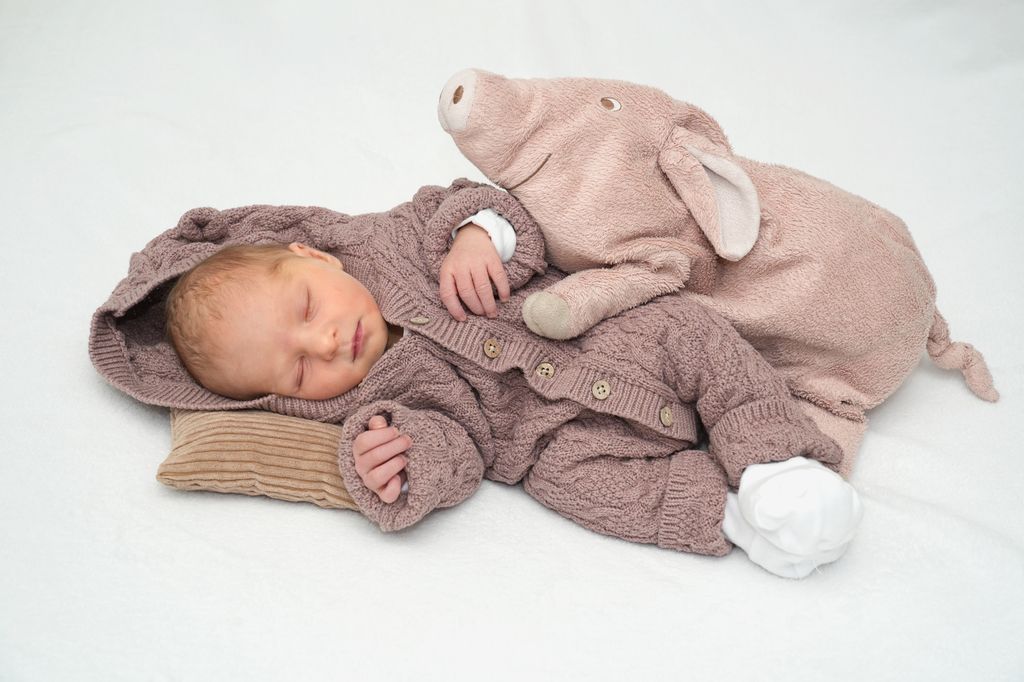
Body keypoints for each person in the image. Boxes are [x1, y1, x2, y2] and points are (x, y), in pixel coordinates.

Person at [93, 179, 862, 578]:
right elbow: (457, 451)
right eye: (298, 367)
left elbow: (483, 202)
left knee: (694, 335)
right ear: (282, 398)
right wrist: (401, 463)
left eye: (307, 308)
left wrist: (478, 238)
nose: (324, 343)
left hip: (601, 335)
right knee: (579, 489)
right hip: (554, 438)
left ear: (313, 257)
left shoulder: (394, 237)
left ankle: (775, 464)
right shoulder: (368, 406)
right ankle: (734, 520)